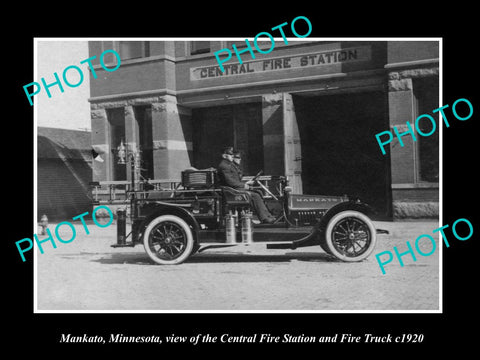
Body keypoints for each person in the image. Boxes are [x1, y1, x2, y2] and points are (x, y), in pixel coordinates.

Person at [217, 147, 276, 224]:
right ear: (224, 156)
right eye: (230, 154)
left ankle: (268, 215)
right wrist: (244, 185)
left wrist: (245, 183)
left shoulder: (229, 165)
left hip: (234, 189)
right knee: (255, 195)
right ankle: (264, 218)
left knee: (258, 192)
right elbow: (230, 182)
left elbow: (235, 179)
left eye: (232, 155)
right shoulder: (224, 166)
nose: (232, 156)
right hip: (231, 191)